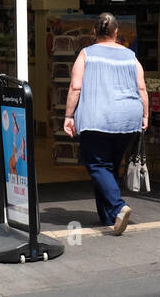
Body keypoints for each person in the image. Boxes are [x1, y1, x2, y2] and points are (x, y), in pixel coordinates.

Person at [63, 13, 149, 235]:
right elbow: (141, 88)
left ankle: (119, 207)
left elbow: (75, 87)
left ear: (94, 32)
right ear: (116, 32)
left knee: (97, 165)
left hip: (97, 117)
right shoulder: (131, 56)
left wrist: (68, 116)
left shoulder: (86, 54)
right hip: (127, 117)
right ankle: (109, 217)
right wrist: (145, 115)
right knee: (109, 166)